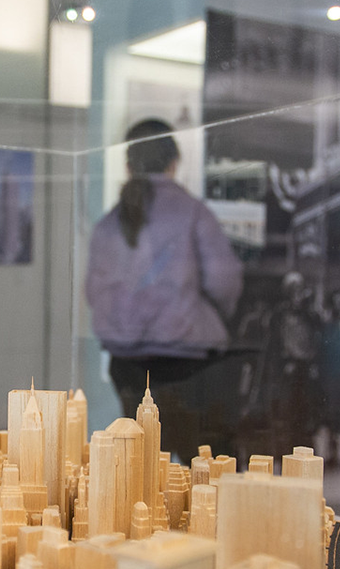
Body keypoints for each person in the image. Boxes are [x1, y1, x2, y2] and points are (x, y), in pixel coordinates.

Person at [84, 119, 244, 460]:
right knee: (200, 460)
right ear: (174, 163)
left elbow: (93, 292)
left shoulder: (108, 224)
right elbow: (224, 281)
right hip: (186, 363)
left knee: (140, 459)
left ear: (128, 166)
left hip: (125, 363)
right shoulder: (193, 214)